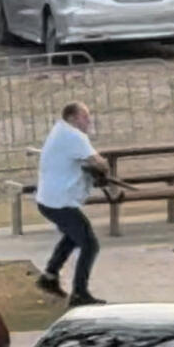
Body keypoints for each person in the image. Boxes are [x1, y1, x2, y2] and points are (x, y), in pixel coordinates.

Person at [35, 101, 111, 304]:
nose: (88, 121)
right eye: (84, 117)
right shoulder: (73, 135)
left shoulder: (60, 130)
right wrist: (103, 170)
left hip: (49, 199)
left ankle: (49, 276)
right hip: (59, 202)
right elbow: (98, 162)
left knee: (73, 236)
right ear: (71, 118)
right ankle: (79, 293)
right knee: (90, 244)